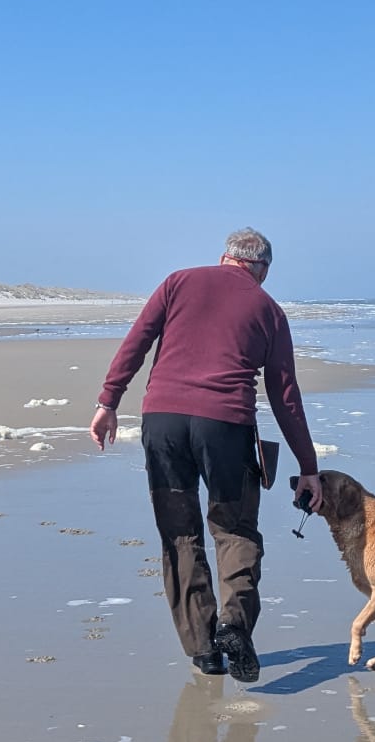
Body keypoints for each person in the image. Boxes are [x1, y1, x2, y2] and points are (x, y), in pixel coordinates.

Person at [90, 228, 324, 682]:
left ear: (224, 258)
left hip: (163, 423)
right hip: (226, 428)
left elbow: (136, 342)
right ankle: (234, 626)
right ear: (263, 271)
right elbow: (285, 395)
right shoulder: (268, 310)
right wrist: (308, 468)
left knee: (180, 532)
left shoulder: (178, 281)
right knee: (235, 530)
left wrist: (108, 402)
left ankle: (204, 650)